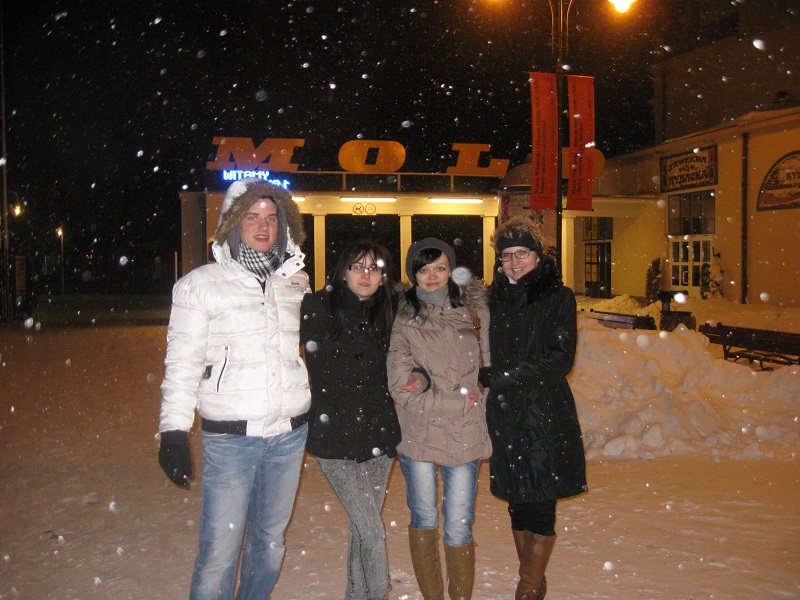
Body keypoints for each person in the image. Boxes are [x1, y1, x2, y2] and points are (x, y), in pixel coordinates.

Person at [157, 178, 311, 600]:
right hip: (231, 439)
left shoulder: (295, 283)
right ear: (233, 223)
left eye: (272, 218)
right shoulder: (200, 284)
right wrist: (173, 430)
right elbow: (183, 363)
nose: (263, 226)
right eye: (252, 217)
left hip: (288, 435)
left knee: (270, 543)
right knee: (219, 553)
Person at [479, 216, 587, 600]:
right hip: (506, 411)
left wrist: (505, 375)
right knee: (517, 500)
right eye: (506, 255)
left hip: (546, 410)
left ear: (538, 255)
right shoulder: (493, 300)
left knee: (541, 497)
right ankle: (534, 579)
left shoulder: (559, 297)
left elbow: (561, 358)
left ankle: (527, 587)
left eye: (521, 253)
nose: (514, 262)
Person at [387, 238, 491, 600]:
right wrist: (454, 402)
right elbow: (401, 386)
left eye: (440, 268)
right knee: (424, 516)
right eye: (424, 269)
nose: (432, 276)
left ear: (452, 271)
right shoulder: (404, 319)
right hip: (420, 432)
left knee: (460, 522)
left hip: (466, 433)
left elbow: (489, 369)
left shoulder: (475, 313)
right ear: (413, 274)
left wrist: (481, 402)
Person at [299, 239, 402, 600]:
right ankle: (379, 592)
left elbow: (411, 356)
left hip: (379, 432)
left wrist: (420, 376)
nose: (366, 274)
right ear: (343, 271)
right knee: (371, 529)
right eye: (358, 266)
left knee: (363, 526)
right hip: (334, 435)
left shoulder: (390, 311)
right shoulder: (317, 306)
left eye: (374, 268)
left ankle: (356, 594)